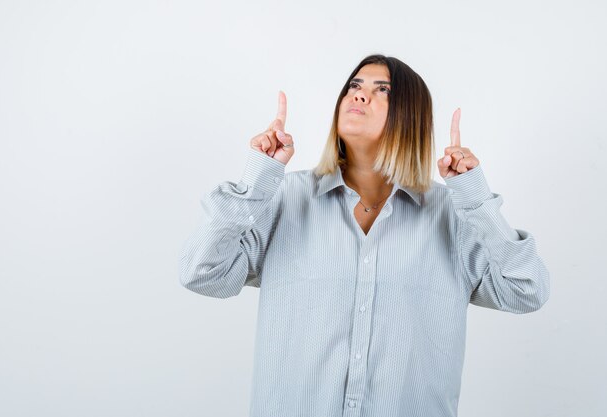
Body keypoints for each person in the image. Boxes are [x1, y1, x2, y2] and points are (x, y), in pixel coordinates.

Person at [178, 54, 550, 417]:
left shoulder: (453, 215)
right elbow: (202, 273)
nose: (359, 95)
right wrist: (258, 178)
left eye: (381, 89)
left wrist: (473, 195)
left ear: (411, 116)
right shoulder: (282, 199)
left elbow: (525, 290)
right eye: (354, 86)